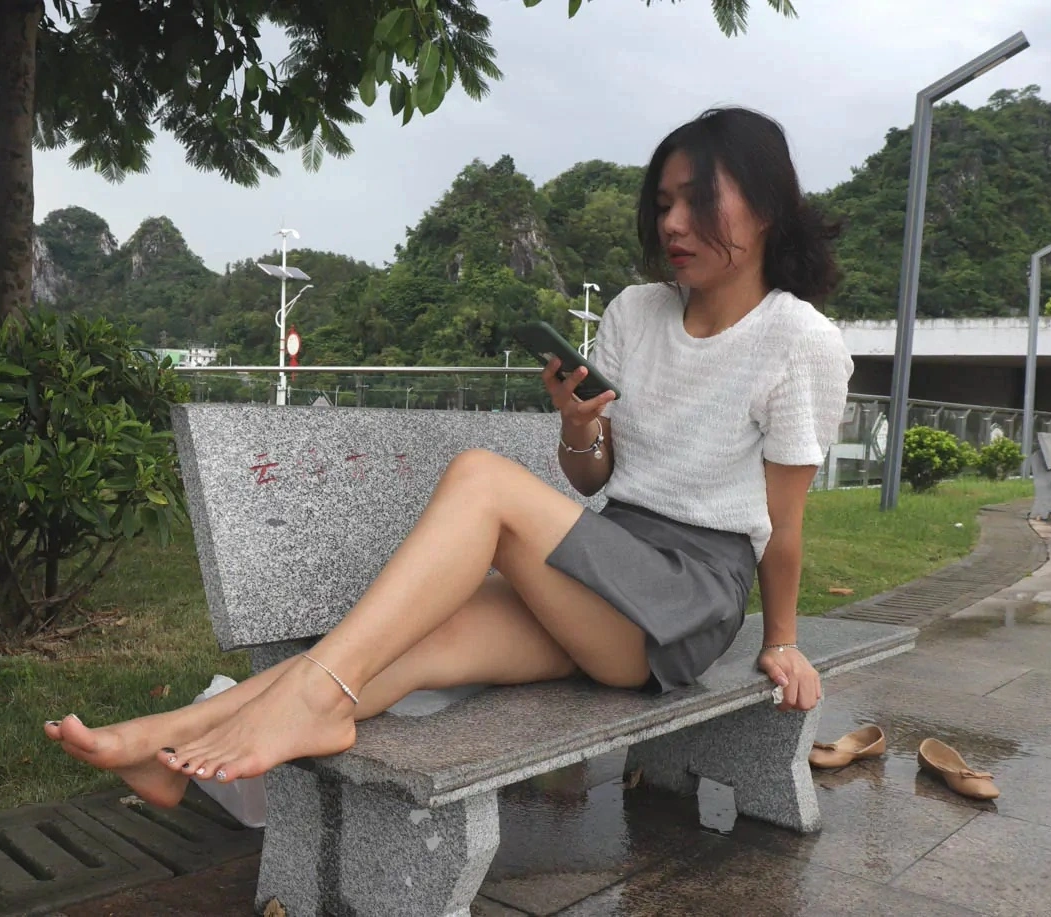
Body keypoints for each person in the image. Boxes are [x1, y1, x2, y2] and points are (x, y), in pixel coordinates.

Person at [44, 105, 853, 808]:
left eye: (698, 200)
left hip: (686, 599)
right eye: (664, 202)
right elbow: (593, 476)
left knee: (481, 478)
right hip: (610, 560)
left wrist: (780, 641)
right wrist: (577, 424)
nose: (672, 223)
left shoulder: (799, 340)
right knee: (418, 642)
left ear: (766, 205)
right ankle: (164, 743)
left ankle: (311, 700)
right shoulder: (636, 313)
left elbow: (781, 525)